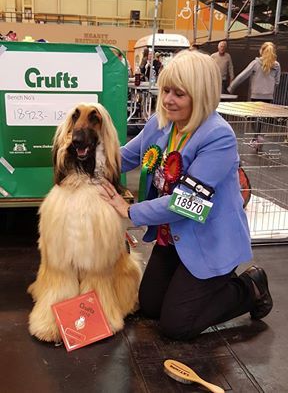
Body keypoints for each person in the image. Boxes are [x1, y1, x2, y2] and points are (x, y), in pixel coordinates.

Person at [100, 50, 273, 340]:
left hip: (210, 242)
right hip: (174, 239)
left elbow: (187, 204)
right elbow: (124, 158)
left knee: (176, 325)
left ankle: (250, 287)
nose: (168, 100)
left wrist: (129, 210)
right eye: (166, 90)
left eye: (179, 94)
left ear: (201, 94)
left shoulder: (219, 137)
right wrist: (84, 162)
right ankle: (198, 285)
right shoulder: (161, 122)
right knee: (151, 307)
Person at [228, 42, 281, 149]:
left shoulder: (255, 63)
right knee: (262, 118)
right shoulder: (276, 65)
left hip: (256, 95)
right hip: (268, 96)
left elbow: (243, 75)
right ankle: (257, 138)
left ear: (261, 51)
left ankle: (257, 137)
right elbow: (277, 82)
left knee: (254, 118)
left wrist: (232, 86)